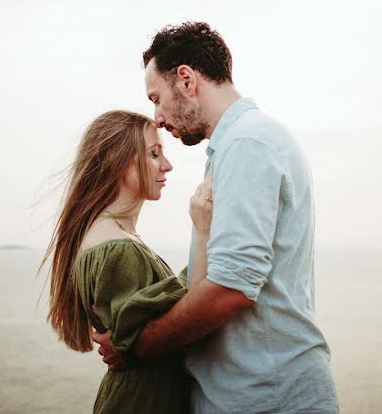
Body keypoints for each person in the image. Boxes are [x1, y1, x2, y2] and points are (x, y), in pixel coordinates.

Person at [93, 22, 340, 413]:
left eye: (157, 98)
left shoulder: (247, 144)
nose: (156, 117)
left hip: (266, 397)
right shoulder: (243, 143)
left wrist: (137, 344)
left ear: (187, 80)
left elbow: (231, 288)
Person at [40, 109, 213, 413]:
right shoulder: (114, 248)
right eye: (154, 154)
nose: (168, 166)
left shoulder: (114, 236)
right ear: (118, 162)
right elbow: (187, 331)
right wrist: (204, 232)